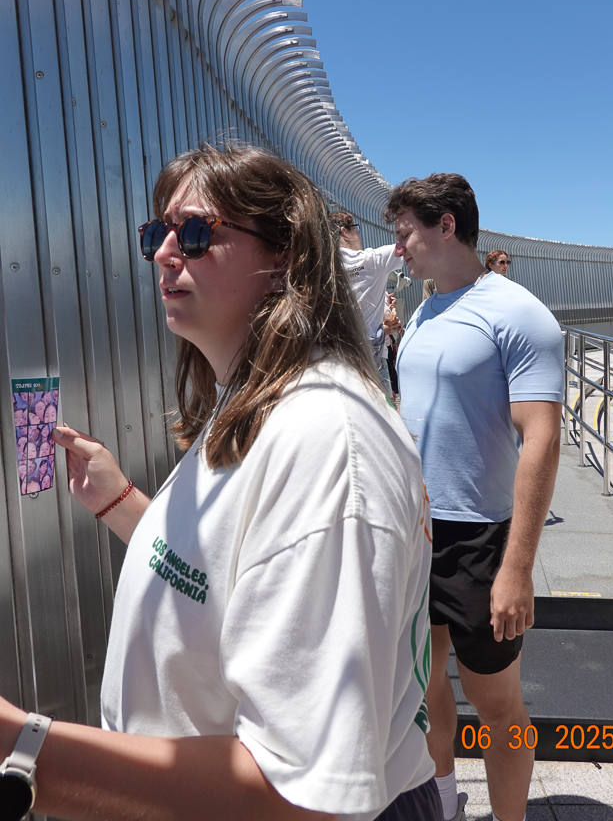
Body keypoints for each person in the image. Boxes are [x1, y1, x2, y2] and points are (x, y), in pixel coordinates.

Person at [0, 144, 440, 821]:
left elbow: (298, 794)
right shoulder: (260, 399)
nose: (163, 253)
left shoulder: (326, 441)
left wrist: (24, 751)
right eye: (158, 231)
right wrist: (121, 504)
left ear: (284, 257)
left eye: (196, 234)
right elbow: (223, 575)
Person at [386, 173, 563, 821]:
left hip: (478, 538)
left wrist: (517, 568)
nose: (397, 248)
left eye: (405, 232)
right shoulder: (425, 311)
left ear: (446, 225)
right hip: (416, 529)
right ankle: (443, 803)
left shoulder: (517, 314)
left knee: (497, 706)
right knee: (425, 681)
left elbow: (542, 439)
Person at [330, 212, 404, 375]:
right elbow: (407, 246)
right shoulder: (372, 260)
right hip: (372, 351)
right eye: (355, 229)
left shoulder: (326, 269)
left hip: (339, 350)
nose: (358, 234)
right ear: (344, 232)